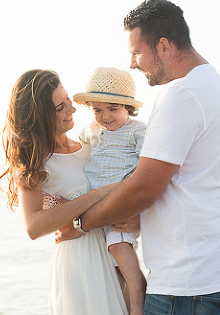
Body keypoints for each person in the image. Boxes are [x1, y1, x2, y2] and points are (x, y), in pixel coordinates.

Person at [74, 0, 220, 315]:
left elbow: (144, 188)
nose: (132, 63)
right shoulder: (217, 87)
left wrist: (81, 222)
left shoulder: (180, 94)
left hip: (190, 283)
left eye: (136, 52)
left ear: (163, 46)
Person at [0, 69, 128, 315]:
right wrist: (94, 196)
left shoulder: (91, 143)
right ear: (40, 116)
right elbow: (34, 226)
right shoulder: (37, 164)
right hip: (79, 262)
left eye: (68, 99)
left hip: (116, 252)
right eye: (60, 108)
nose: (72, 109)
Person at [73, 67, 148, 315]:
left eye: (113, 109)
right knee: (112, 266)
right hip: (95, 205)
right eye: (97, 109)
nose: (105, 116)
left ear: (128, 108)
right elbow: (76, 153)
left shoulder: (138, 131)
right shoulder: (90, 131)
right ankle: (127, 301)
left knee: (118, 246)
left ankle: (139, 300)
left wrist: (137, 209)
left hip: (121, 203)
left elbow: (148, 170)